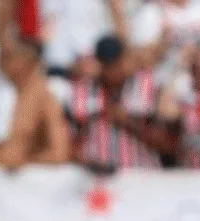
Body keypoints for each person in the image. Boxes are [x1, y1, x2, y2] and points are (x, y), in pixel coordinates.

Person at [71, 35, 172, 171]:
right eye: (107, 66)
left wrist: (127, 122)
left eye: (116, 64)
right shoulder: (83, 91)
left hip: (142, 175)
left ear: (125, 59)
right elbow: (74, 142)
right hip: (98, 178)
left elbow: (168, 144)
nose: (113, 72)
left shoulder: (148, 85)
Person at [0, 38, 72, 168]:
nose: (0, 62)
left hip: (25, 177)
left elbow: (59, 153)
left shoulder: (45, 98)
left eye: (7, 57)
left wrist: (22, 160)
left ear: (27, 62)